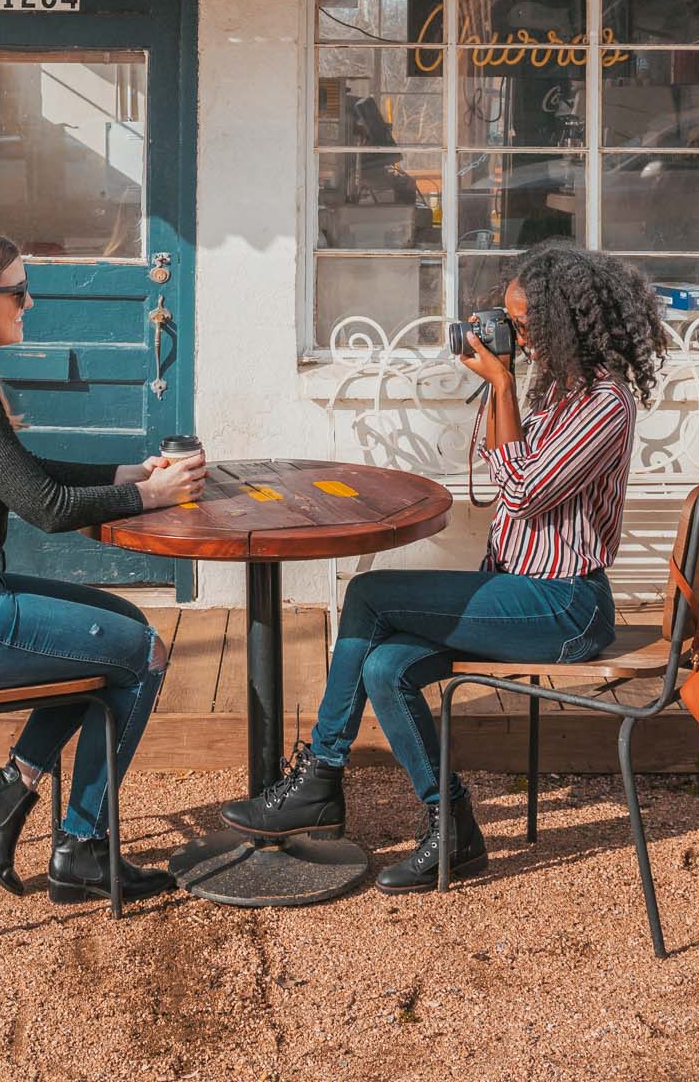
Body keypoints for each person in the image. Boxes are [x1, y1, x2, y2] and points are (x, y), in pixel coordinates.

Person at [220, 245, 668, 893]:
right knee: (384, 666)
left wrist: (504, 385)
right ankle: (452, 826)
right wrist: (505, 389)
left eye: (522, 324)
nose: (512, 336)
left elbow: (520, 492)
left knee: (371, 594)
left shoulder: (603, 403)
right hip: (518, 594)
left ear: (565, 319)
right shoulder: (562, 390)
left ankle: (321, 776)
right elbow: (506, 472)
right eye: (508, 322)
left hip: (563, 607)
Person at [0, 229, 207, 903]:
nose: (29, 304)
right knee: (141, 653)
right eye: (18, 292)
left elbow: (19, 474)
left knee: (118, 627)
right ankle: (81, 848)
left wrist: (127, 472)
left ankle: (13, 789)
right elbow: (46, 507)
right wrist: (152, 495)